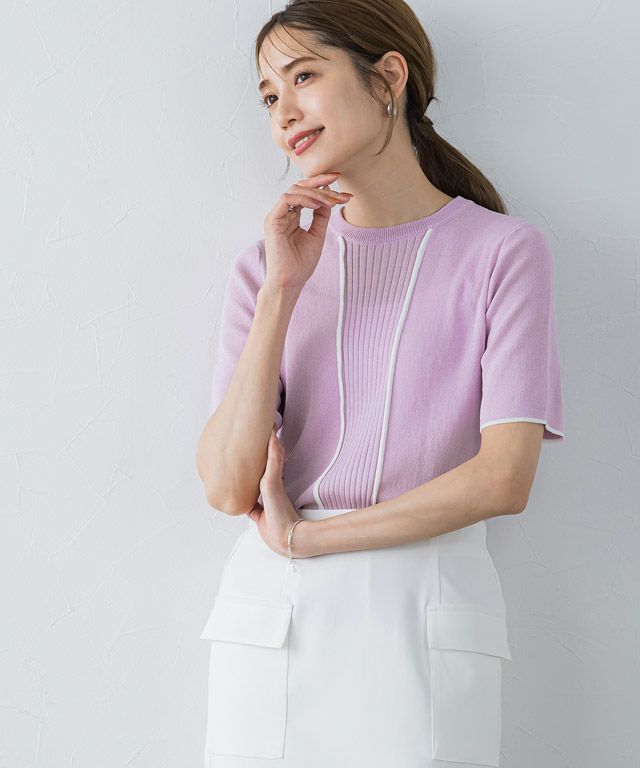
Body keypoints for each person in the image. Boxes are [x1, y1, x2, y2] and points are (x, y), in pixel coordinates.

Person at [196, 1, 565, 766]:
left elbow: (503, 479)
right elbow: (228, 487)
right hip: (274, 621)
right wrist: (282, 291)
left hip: (422, 606)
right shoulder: (263, 268)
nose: (283, 112)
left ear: (388, 76)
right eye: (269, 95)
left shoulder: (502, 253)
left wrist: (307, 538)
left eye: (304, 76)